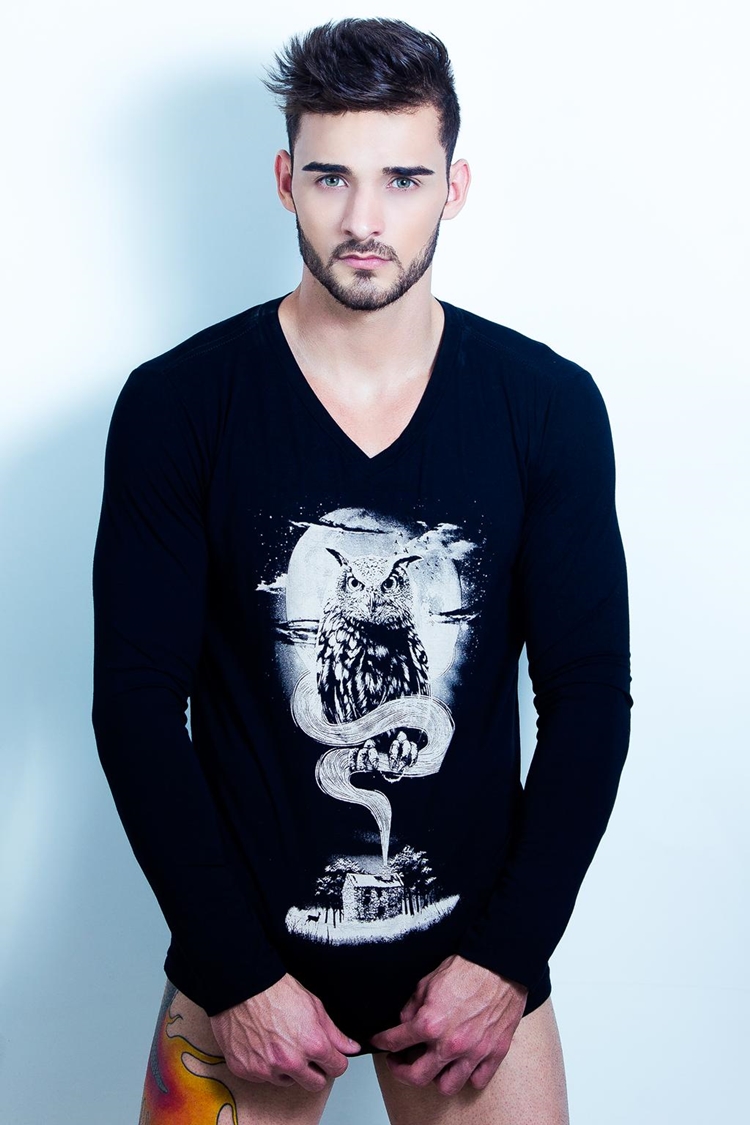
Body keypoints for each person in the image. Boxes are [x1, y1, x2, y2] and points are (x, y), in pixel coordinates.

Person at [92, 17, 631, 1125]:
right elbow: (136, 708)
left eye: (403, 179)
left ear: (455, 187)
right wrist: (237, 973)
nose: (364, 220)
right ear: (285, 180)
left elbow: (588, 702)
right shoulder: (178, 406)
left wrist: (507, 960)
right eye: (332, 176)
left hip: (472, 974)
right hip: (240, 967)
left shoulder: (545, 406)